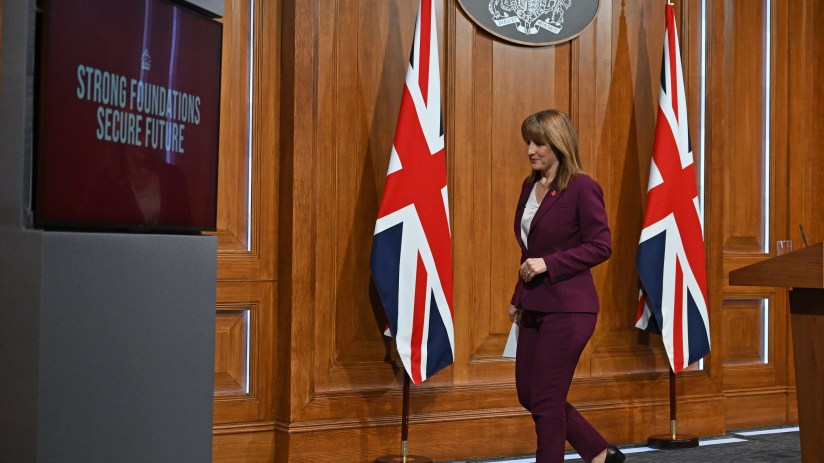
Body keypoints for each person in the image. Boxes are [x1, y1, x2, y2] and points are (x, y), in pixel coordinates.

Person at [508, 109, 625, 463]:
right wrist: (517, 297)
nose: (531, 150)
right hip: (533, 305)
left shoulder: (582, 187)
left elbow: (601, 245)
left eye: (539, 143)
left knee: (546, 399)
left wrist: (549, 264)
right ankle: (600, 454)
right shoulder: (530, 186)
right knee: (531, 394)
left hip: (569, 308)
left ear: (558, 144)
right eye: (528, 141)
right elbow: (530, 250)